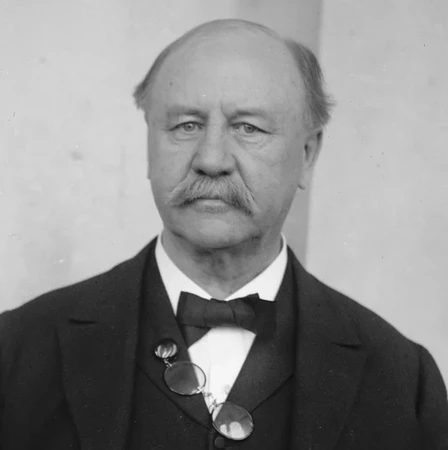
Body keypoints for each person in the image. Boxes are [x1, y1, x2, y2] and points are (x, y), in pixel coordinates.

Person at [0, 18, 447, 450]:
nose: (211, 159)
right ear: (149, 144)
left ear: (307, 155)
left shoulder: (405, 381)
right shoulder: (15, 351)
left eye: (248, 127)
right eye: (186, 125)